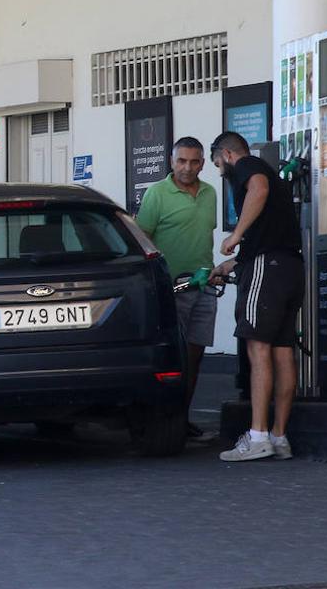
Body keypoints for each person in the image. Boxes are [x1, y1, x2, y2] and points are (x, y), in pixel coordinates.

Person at [209, 131, 305, 462]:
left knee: (257, 346)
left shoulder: (247, 166)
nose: (219, 170)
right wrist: (231, 262)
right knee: (281, 351)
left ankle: (258, 435)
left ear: (226, 154)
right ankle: (279, 437)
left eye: (216, 163)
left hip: (268, 267)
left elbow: (258, 189)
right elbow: (265, 236)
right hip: (289, 266)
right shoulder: (273, 179)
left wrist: (235, 235)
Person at [135, 136, 217, 438]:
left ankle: (182, 417)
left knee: (195, 356)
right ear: (171, 161)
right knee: (175, 358)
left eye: (194, 161)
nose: (187, 168)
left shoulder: (210, 193)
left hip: (205, 286)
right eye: (182, 161)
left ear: (203, 164)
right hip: (173, 289)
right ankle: (165, 420)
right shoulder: (157, 193)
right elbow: (142, 238)